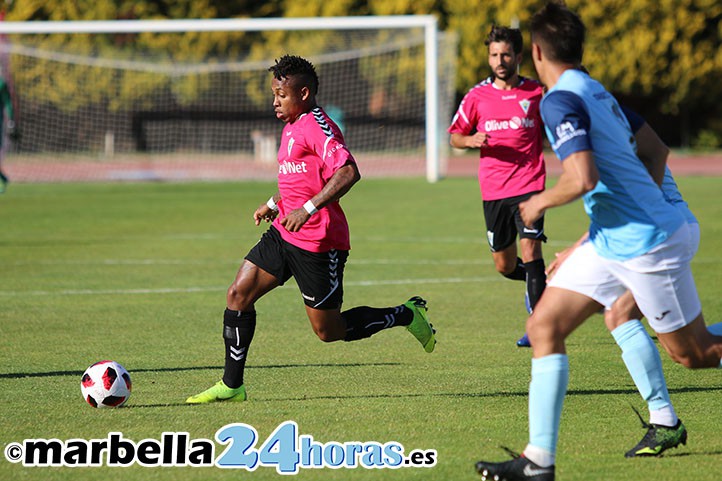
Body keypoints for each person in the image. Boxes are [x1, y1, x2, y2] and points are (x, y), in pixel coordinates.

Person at [474, 4, 722, 480]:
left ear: (538, 52)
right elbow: (656, 150)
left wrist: (538, 203)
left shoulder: (557, 100)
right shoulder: (597, 92)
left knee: (695, 354)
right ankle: (538, 463)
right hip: (615, 240)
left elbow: (583, 177)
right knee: (545, 326)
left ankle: (660, 417)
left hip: (647, 245)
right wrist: (607, 224)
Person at [186, 55, 436, 404]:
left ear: (303, 93)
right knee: (237, 295)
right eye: (273, 93)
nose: (275, 101)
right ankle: (232, 385)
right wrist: (274, 205)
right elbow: (301, 178)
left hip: (319, 242)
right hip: (285, 232)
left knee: (328, 331)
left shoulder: (318, 125)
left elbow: (348, 171)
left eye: (281, 94)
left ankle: (406, 314)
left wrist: (306, 209)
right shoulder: (292, 124)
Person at [546, 104, 696, 458]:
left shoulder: (603, 139)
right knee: (678, 342)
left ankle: (665, 422)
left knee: (670, 340)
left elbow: (629, 198)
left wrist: (546, 211)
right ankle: (664, 421)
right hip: (655, 233)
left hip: (660, 234)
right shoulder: (606, 128)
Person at [448, 25, 547, 348]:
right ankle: (541, 281)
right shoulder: (477, 96)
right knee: (504, 266)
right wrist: (471, 139)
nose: (500, 60)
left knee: (531, 249)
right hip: (494, 190)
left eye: (506, 54)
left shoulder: (537, 92)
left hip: (530, 185)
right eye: (494, 55)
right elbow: (455, 136)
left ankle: (538, 327)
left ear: (518, 56)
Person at [0, 74, 18, 193]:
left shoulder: (1, 83)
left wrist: (11, 122)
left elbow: (7, 102)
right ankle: (4, 179)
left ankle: (3, 180)